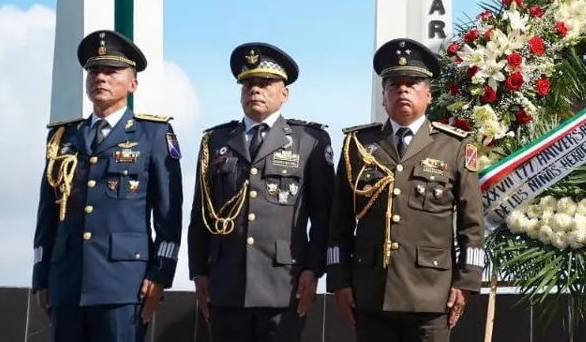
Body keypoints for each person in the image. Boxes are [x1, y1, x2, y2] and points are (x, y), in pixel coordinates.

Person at [327, 37, 486, 342]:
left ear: (428, 94)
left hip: (431, 296)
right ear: (384, 96)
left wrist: (466, 282)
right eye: (393, 84)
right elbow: (340, 223)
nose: (402, 89)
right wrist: (338, 280)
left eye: (412, 83)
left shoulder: (454, 147)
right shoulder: (359, 146)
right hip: (371, 293)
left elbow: (472, 225)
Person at [31, 29, 185, 342]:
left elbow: (169, 214)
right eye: (94, 71)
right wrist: (41, 275)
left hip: (123, 284)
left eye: (111, 71)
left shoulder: (152, 134)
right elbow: (47, 213)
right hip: (66, 282)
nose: (100, 77)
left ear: (133, 83)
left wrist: (160, 273)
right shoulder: (63, 137)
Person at [187, 42, 335, 342]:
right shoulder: (215, 141)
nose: (255, 90)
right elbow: (200, 214)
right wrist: (199, 272)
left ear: (285, 93)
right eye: (248, 84)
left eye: (265, 83)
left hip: (284, 283)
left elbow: (324, 215)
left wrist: (313, 269)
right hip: (226, 282)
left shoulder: (309, 141)